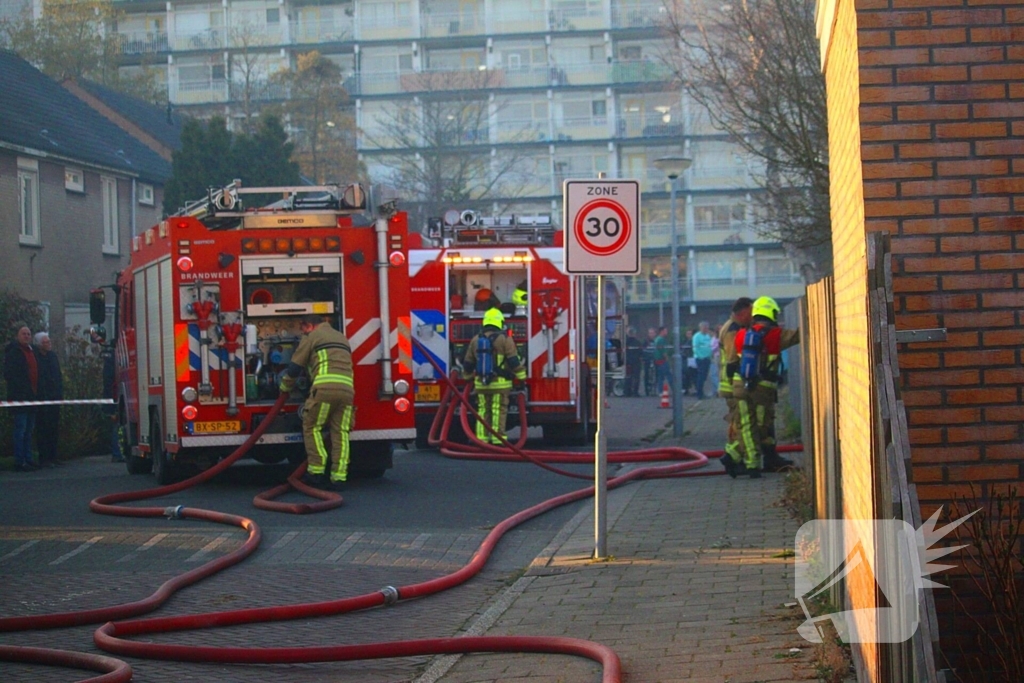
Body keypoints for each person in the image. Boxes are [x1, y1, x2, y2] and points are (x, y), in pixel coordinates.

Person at [279, 314, 355, 490]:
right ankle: (339, 476)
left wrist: (284, 387)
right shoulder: (341, 337)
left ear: (309, 326)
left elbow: (295, 367)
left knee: (313, 427)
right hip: (347, 391)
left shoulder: (311, 337)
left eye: (302, 329)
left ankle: (316, 472)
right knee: (341, 432)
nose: (302, 333)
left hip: (324, 390)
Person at [727, 296, 799, 478]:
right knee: (759, 427)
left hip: (739, 385)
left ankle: (742, 458)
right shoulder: (776, 335)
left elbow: (734, 361)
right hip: (762, 389)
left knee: (746, 425)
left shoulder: (741, 334)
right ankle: (736, 457)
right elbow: (798, 335)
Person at [461, 307, 527, 445]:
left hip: (481, 384)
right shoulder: (505, 339)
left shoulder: (475, 340)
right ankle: (497, 438)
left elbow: (468, 363)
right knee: (498, 409)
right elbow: (514, 361)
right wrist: (522, 378)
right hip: (500, 384)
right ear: (500, 322)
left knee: (483, 409)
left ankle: (481, 438)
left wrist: (467, 377)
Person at [718, 298, 753, 474]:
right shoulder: (733, 330)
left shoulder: (730, 326)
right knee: (740, 423)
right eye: (751, 312)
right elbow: (733, 358)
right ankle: (732, 457)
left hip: (730, 384)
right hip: (733, 384)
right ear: (743, 312)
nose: (752, 316)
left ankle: (734, 457)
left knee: (736, 422)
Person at [3, 323, 40, 471]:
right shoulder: (14, 352)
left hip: (32, 397)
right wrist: (21, 391)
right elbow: (10, 374)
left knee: (29, 430)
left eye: (28, 334)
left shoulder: (32, 352)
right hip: (20, 398)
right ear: (18, 336)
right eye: (23, 334)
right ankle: (19, 461)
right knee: (21, 429)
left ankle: (28, 458)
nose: (26, 336)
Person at [91, 326, 123, 463]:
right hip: (115, 397)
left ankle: (118, 452)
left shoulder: (110, 359)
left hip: (115, 397)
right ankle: (117, 453)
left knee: (118, 425)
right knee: (117, 425)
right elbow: (110, 381)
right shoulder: (113, 360)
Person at [34, 332, 63, 468]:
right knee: (42, 428)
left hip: (54, 397)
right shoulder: (36, 357)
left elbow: (58, 375)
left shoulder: (52, 356)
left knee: (53, 428)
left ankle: (53, 455)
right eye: (46, 342)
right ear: (39, 344)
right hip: (42, 397)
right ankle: (44, 457)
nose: (49, 344)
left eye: (49, 341)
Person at [692, 321, 713, 400]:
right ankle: (699, 394)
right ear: (701, 328)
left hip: (707, 358)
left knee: (704, 376)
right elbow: (695, 348)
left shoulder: (708, 336)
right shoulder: (697, 336)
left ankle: (702, 392)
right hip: (700, 359)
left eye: (707, 328)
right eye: (704, 328)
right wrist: (701, 356)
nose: (706, 329)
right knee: (700, 376)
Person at [624, 326, 644, 397]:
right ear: (634, 334)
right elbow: (641, 352)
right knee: (636, 377)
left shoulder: (625, 342)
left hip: (627, 362)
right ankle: (635, 392)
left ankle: (627, 392)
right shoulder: (638, 342)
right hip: (636, 362)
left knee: (628, 377)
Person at [652, 326, 671, 394]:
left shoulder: (656, 339)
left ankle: (660, 391)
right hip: (662, 360)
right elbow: (663, 351)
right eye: (665, 331)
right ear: (661, 331)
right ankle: (675, 390)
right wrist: (667, 358)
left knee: (660, 377)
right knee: (669, 375)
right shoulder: (661, 340)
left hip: (657, 360)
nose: (667, 332)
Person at [641, 327, 657, 396]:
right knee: (647, 374)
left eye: (652, 333)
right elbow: (642, 350)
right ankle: (647, 390)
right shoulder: (645, 341)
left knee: (656, 374)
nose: (651, 334)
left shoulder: (656, 341)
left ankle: (654, 390)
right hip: (647, 360)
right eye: (650, 333)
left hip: (654, 359)